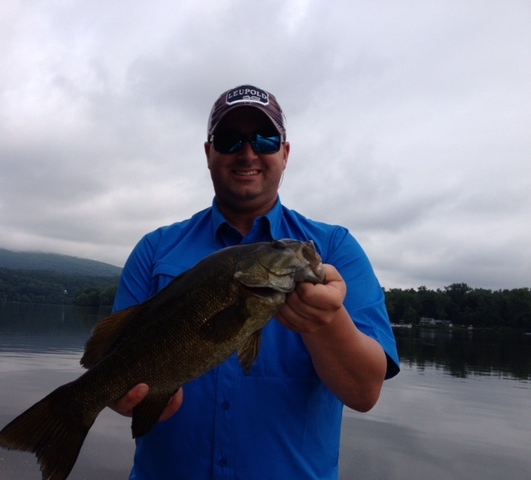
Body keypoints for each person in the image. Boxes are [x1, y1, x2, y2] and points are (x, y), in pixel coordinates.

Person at [110, 84, 400, 479]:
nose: (247, 153)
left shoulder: (335, 249)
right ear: (209, 153)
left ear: (285, 153)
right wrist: (125, 397)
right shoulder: (154, 250)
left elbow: (365, 393)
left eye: (264, 139)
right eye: (230, 140)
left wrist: (327, 323)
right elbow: (112, 361)